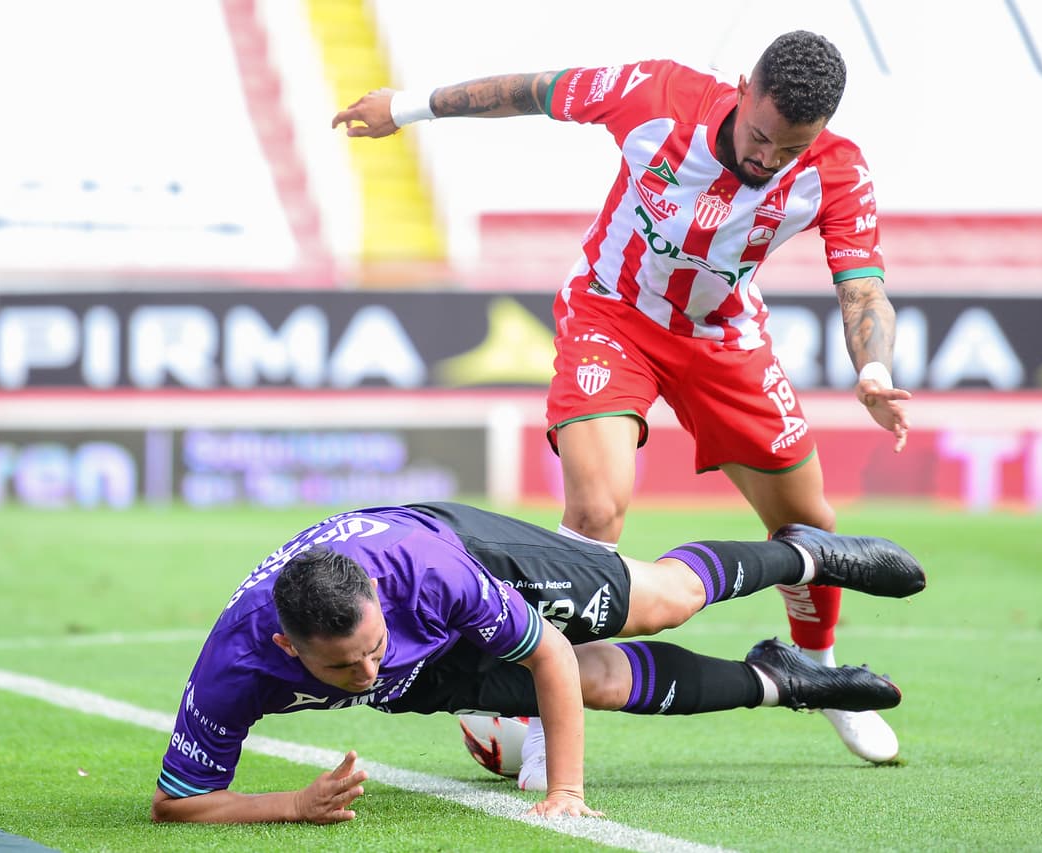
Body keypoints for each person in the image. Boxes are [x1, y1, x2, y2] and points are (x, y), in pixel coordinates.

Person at [332, 31, 913, 765]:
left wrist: (872, 368)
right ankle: (550, 715)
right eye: (759, 135)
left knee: (809, 525)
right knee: (597, 509)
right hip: (612, 314)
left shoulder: (837, 170)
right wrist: (407, 108)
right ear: (741, 86)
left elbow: (863, 288)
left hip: (722, 334)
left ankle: (819, 672)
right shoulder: (655, 96)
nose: (767, 158)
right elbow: (532, 89)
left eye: (788, 148)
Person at [151, 501, 925, 823]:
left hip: (471, 552)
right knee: (604, 683)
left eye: (373, 649)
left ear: (380, 605)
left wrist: (567, 789)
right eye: (344, 670)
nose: (365, 674)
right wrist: (292, 802)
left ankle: (802, 552)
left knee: (661, 600)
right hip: (428, 670)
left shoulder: (426, 574)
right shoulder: (236, 667)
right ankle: (780, 677)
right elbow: (175, 803)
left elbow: (546, 648)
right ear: (288, 649)